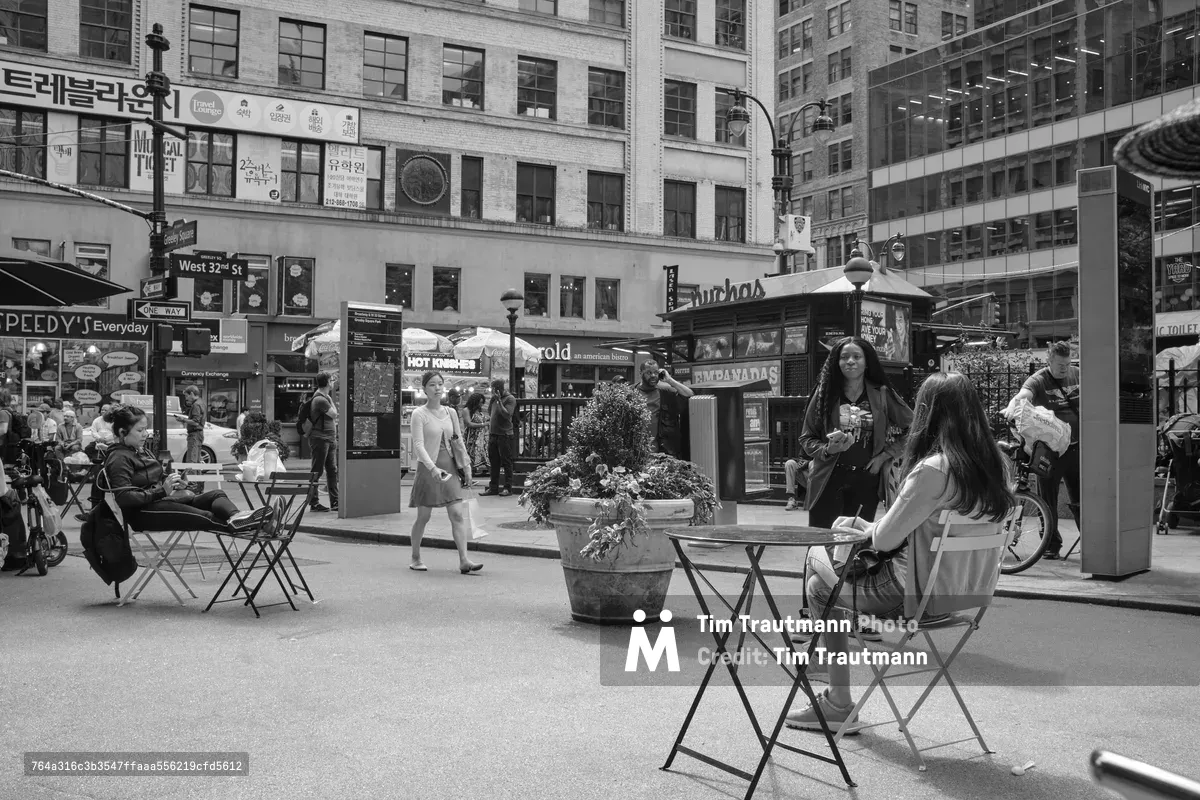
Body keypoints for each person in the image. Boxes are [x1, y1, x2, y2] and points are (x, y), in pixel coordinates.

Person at [784, 371, 1016, 732]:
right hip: (965, 594)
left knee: (817, 569)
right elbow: (891, 533)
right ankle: (825, 678)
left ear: (927, 415)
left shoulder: (934, 470)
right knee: (828, 576)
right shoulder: (997, 467)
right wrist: (870, 528)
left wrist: (867, 531)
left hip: (910, 595)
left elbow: (885, 543)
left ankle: (834, 694)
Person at [799, 337, 913, 530]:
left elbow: (915, 428)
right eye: (844, 357)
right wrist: (827, 449)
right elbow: (806, 437)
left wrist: (885, 456)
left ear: (867, 362)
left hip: (866, 480)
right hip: (827, 479)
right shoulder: (824, 392)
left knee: (857, 544)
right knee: (822, 542)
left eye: (856, 356)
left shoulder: (882, 394)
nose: (850, 361)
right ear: (837, 362)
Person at [100, 405, 270, 533]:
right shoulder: (119, 458)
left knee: (216, 495)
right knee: (204, 517)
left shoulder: (141, 450)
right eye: (140, 430)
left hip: (162, 501)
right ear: (122, 432)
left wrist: (175, 483)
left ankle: (238, 518)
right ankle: (253, 527)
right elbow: (124, 498)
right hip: (143, 513)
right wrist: (162, 491)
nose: (145, 434)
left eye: (146, 429)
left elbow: (157, 478)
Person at [1001, 340, 1079, 560]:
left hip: (1077, 447)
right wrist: (1011, 406)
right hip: (1052, 451)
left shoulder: (1076, 374)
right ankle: (1051, 544)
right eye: (1060, 365)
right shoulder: (1039, 380)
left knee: (1081, 498)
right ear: (1049, 361)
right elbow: (1023, 395)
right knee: (1048, 499)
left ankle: (1090, 540)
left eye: (1068, 363)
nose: (1065, 368)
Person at [407, 371, 482, 574]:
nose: (438, 388)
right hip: (428, 469)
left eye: (440, 384)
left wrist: (467, 467)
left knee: (457, 514)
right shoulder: (419, 414)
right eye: (432, 385)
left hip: (449, 467)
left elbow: (458, 441)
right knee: (423, 516)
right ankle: (415, 557)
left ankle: (464, 560)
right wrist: (432, 468)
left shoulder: (451, 412)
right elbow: (419, 445)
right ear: (424, 389)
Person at [635, 360, 694, 458]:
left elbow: (689, 394)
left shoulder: (665, 392)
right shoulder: (631, 392)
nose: (653, 375)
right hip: (638, 453)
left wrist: (669, 380)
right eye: (649, 373)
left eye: (656, 372)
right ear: (640, 373)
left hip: (663, 453)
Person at [308, 371, 339, 513]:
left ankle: (335, 501)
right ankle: (314, 503)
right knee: (317, 471)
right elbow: (334, 413)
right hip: (320, 439)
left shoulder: (324, 397)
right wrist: (330, 399)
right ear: (326, 382)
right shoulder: (320, 399)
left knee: (332, 471)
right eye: (331, 380)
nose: (333, 382)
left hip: (329, 438)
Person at [482, 378, 516, 497]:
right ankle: (493, 488)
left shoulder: (510, 399)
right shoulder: (493, 399)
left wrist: (499, 402)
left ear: (501, 389)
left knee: (506, 462)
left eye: (496, 390)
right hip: (493, 434)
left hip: (505, 435)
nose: (494, 392)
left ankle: (508, 488)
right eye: (493, 390)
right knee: (494, 462)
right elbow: (490, 411)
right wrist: (494, 401)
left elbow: (507, 415)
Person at [463, 391, 490, 476]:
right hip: (472, 439)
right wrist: (483, 424)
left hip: (482, 440)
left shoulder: (479, 412)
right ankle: (467, 478)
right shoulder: (466, 410)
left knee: (487, 459)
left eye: (483, 402)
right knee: (470, 458)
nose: (481, 404)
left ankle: (494, 481)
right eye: (480, 402)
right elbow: (468, 423)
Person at [182, 386, 205, 464]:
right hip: (199, 433)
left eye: (186, 396)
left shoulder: (196, 405)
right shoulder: (201, 402)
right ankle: (197, 475)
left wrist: (183, 420)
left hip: (194, 434)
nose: (186, 398)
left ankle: (192, 475)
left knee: (192, 459)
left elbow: (195, 422)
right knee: (197, 459)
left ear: (191, 394)